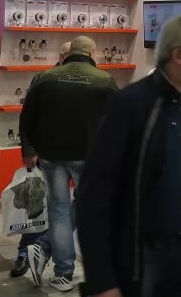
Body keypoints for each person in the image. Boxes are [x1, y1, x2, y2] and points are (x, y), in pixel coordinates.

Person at [76, 14, 181, 297]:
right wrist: (102, 280)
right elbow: (93, 195)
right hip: (145, 258)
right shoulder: (130, 105)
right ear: (178, 55)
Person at [19, 36, 118, 292]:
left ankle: (61, 270)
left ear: (68, 52)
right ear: (92, 53)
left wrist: (28, 150)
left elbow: (27, 116)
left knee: (59, 211)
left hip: (52, 156)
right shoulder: (104, 80)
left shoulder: (46, 78)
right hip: (90, 157)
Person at [9, 40, 70, 279]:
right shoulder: (43, 79)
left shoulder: (85, 80)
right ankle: (25, 252)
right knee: (36, 205)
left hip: (74, 154)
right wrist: (29, 150)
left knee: (64, 209)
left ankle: (47, 251)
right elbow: (28, 117)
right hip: (46, 153)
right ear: (62, 56)